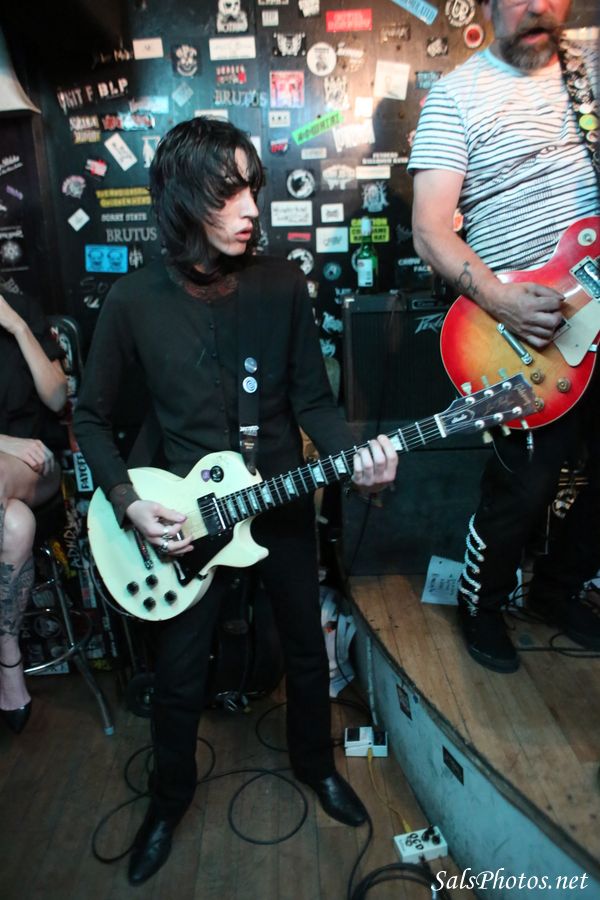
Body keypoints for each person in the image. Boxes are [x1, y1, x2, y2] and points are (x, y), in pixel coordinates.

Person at [74, 116, 398, 886]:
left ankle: (316, 766)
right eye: (230, 191)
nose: (252, 206)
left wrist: (356, 459)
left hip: (279, 500)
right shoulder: (132, 300)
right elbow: (89, 419)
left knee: (304, 647)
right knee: (179, 674)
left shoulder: (280, 284)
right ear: (183, 198)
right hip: (184, 522)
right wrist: (128, 501)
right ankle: (168, 802)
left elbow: (313, 403)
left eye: (253, 187)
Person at [409, 0, 599, 673]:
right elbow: (430, 228)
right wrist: (501, 300)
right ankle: (481, 603)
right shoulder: (457, 94)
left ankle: (555, 590)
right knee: (525, 486)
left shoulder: (591, 69)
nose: (537, 5)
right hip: (522, 334)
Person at [0, 293, 67, 732]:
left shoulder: (22, 308)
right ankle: (8, 655)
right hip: (8, 474)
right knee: (16, 525)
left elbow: (58, 399)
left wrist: (17, 326)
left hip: (37, 467)